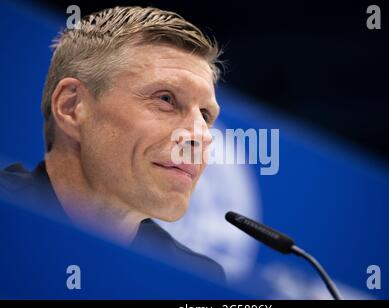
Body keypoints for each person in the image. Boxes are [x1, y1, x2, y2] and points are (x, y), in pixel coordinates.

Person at [0, 6, 225, 282]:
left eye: (205, 115)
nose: (200, 136)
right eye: (165, 99)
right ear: (72, 106)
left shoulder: (193, 279)